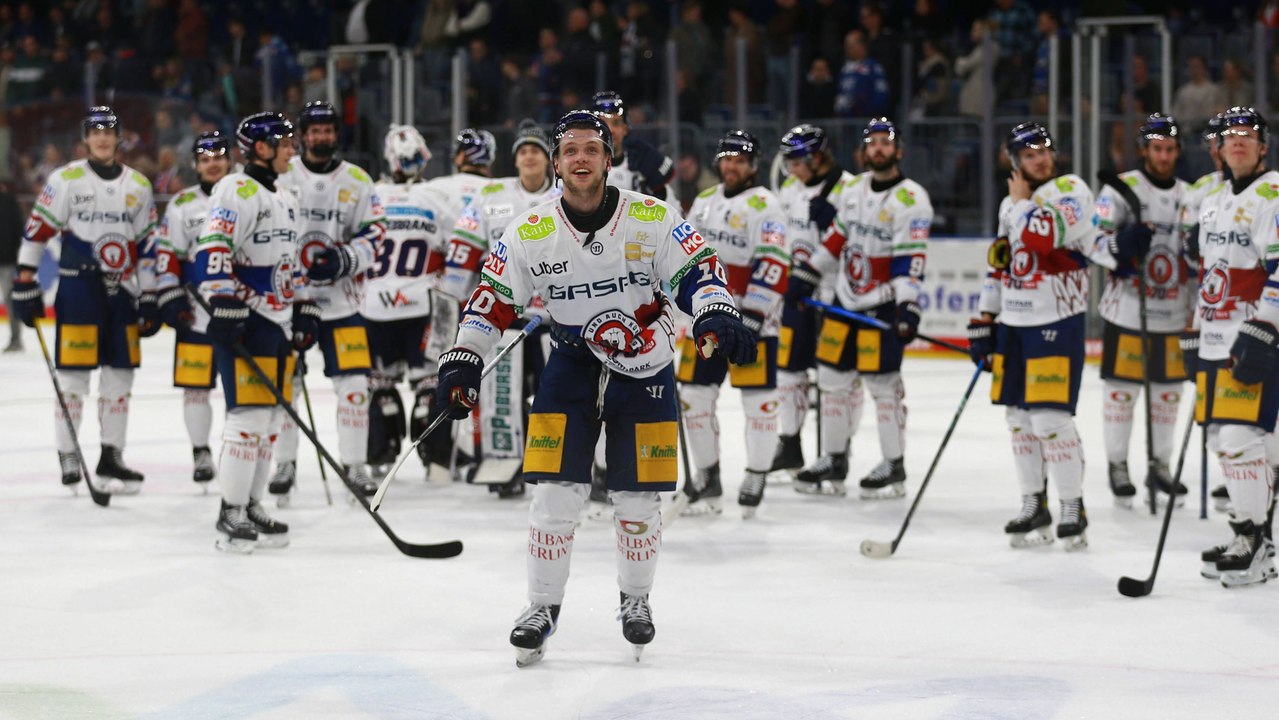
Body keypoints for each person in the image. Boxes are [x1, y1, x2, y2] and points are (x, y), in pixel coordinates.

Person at [433, 110, 755, 666]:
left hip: (646, 365)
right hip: (570, 362)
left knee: (636, 499)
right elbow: (490, 300)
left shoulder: (652, 215)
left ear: (609, 159)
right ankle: (541, 606)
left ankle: (636, 600)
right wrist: (463, 356)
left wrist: (714, 313)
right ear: (557, 163)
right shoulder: (530, 229)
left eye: (592, 148)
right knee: (553, 495)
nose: (581, 158)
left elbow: (700, 270)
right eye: (570, 150)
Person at [11, 107, 158, 495]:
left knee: (119, 379)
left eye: (109, 131)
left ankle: (112, 454)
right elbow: (37, 230)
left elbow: (147, 246)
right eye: (95, 132)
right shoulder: (66, 179)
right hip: (79, 289)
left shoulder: (139, 185)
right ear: (86, 138)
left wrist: (151, 295)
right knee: (73, 379)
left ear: (118, 137)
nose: (103, 138)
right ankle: (69, 452)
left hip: (123, 293)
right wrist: (25, 280)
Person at [967, 122, 1094, 550]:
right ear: (1015, 162)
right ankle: (1032, 503)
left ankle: (1072, 505)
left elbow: (1043, 238)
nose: (1040, 159)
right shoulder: (1011, 204)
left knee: (1051, 419)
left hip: (1057, 319)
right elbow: (1001, 260)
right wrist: (986, 317)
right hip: (1014, 323)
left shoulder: (1073, 191)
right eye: (1030, 154)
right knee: (1019, 420)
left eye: (1044, 151)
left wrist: (1020, 204)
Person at [790, 117, 932, 499]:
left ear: (898, 150)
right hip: (842, 301)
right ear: (864, 150)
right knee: (832, 380)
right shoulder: (854, 189)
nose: (879, 148)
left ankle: (894, 465)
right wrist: (808, 272)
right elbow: (838, 236)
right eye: (873, 143)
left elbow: (909, 261)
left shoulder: (912, 198)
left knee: (883, 387)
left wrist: (908, 306)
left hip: (880, 307)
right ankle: (834, 457)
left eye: (886, 142)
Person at [193, 111, 314, 552]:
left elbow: (291, 261)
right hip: (247, 318)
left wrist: (305, 307)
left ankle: (253, 503)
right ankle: (231, 510)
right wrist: (224, 301)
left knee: (269, 420)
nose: (291, 150)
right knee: (246, 418)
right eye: (284, 143)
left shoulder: (285, 196)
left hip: (277, 320)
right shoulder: (235, 188)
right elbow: (215, 246)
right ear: (260, 148)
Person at [270, 101, 386, 503]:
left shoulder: (357, 180)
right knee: (287, 384)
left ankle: (354, 464)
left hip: (342, 303)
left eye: (328, 129)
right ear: (302, 135)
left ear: (338, 133)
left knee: (354, 385)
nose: (321, 136)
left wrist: (346, 258)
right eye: (314, 130)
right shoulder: (282, 176)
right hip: (289, 301)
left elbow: (375, 235)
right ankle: (284, 463)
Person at [437, 119, 561, 495]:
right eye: (523, 150)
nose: (528, 156)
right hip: (505, 316)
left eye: (536, 150)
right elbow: (462, 246)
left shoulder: (565, 194)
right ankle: (504, 462)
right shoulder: (489, 195)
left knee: (553, 396)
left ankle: (553, 462)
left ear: (549, 159)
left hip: (555, 320)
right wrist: (450, 297)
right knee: (500, 396)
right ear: (514, 159)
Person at [1183, 106, 1279, 587]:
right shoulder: (1212, 199)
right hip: (1217, 336)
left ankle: (1256, 542)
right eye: (1229, 135)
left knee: (1238, 439)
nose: (1238, 140)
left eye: (1249, 134)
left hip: (1256, 337)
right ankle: (1251, 532)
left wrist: (1266, 326)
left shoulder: (1274, 193)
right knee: (1226, 440)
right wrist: (1194, 329)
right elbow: (1208, 278)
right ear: (1217, 148)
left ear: (1263, 146)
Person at [676, 129, 788, 517]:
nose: (732, 166)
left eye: (740, 160)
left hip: (750, 324)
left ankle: (757, 472)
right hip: (705, 321)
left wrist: (754, 314)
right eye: (727, 159)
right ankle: (707, 476)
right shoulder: (704, 202)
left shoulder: (766, 206)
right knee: (694, 398)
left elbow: (774, 263)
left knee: (758, 403)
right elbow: (683, 259)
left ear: (753, 165)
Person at [1089, 114, 1192, 508]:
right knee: (1121, 394)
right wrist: (1121, 246)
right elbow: (1093, 244)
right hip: (1127, 311)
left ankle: (1160, 465)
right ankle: (1118, 465)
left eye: (1169, 149)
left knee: (1167, 396)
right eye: (1157, 149)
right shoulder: (1121, 189)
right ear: (1144, 150)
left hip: (1172, 311)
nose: (1163, 156)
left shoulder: (1190, 194)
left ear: (1177, 152)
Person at [362, 125, 455, 477]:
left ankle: (377, 458)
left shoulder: (370, 195)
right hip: (425, 305)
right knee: (431, 384)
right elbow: (457, 249)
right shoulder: (435, 197)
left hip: (374, 307)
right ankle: (438, 461)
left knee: (378, 386)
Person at [772, 123, 858, 476]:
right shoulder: (790, 189)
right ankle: (790, 443)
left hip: (836, 295)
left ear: (816, 157)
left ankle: (838, 451)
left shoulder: (849, 188)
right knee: (789, 370)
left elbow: (852, 240)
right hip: (796, 293)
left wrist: (814, 271)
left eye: (796, 160)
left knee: (835, 377)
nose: (790, 168)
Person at [152, 131, 234, 488]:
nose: (213, 163)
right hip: (195, 312)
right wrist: (169, 295)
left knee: (240, 389)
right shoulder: (182, 204)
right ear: (196, 165)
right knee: (196, 389)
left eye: (218, 156)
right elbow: (167, 254)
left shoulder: (244, 195)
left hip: (239, 312)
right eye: (205, 158)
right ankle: (201, 452)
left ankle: (238, 449)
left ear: (229, 160)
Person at [1180, 113, 1230, 512]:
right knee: (1211, 409)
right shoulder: (1201, 193)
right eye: (1214, 144)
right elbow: (1191, 258)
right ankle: (1237, 476)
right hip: (1210, 309)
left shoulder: (1268, 190)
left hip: (1252, 312)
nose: (1218, 151)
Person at [591, 91, 675, 200]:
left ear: (625, 129)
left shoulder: (642, 158)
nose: (610, 130)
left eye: (616, 123)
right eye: (603, 124)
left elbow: (672, 210)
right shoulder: (580, 165)